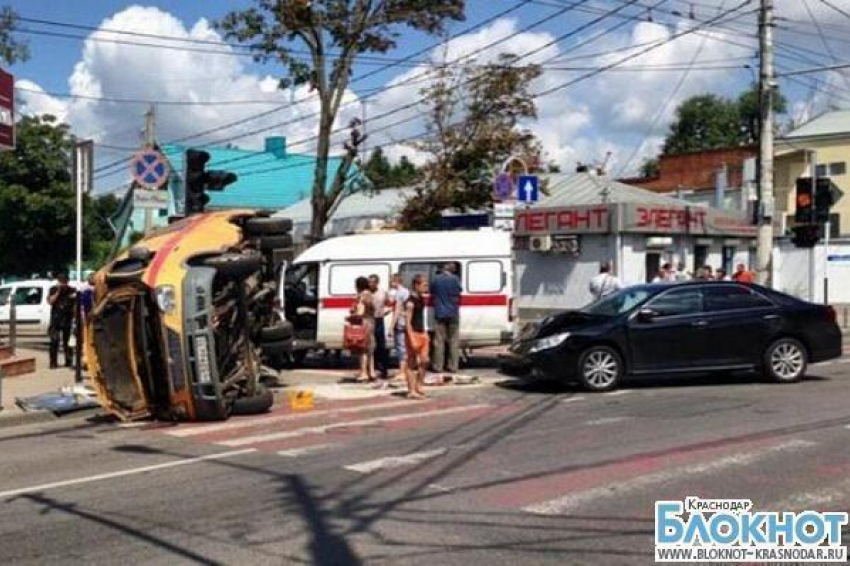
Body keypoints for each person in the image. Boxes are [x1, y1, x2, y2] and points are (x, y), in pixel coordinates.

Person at [430, 262, 461, 376]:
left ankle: (438, 366)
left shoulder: (436, 280)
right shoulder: (455, 279)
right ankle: (453, 366)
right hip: (453, 312)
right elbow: (459, 291)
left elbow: (432, 291)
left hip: (440, 313)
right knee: (453, 340)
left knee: (439, 341)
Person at [404, 274, 429, 400]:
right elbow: (407, 321)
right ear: (416, 285)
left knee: (424, 361)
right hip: (413, 333)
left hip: (422, 332)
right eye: (424, 285)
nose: (426, 287)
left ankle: (419, 385)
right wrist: (411, 337)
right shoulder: (410, 302)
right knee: (411, 362)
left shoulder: (421, 299)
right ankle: (411, 390)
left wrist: (425, 332)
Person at [48, 273, 77, 369]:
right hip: (56, 319)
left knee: (68, 342)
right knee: (54, 341)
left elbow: (75, 304)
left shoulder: (72, 290)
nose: (63, 284)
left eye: (65, 282)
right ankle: (53, 363)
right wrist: (58, 291)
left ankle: (68, 361)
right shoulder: (53, 289)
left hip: (67, 318)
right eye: (61, 282)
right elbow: (50, 301)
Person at [350, 276, 375, 383]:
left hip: (363, 323)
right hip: (371, 322)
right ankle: (371, 372)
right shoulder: (370, 294)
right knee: (370, 348)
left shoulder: (362, 296)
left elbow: (360, 312)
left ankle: (364, 373)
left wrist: (353, 312)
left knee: (362, 349)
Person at [388, 273, 410, 387]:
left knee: (401, 348)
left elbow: (397, 310)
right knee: (403, 347)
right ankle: (403, 370)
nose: (390, 283)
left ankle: (403, 372)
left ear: (396, 281)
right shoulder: (406, 292)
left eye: (391, 281)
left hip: (400, 323)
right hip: (405, 322)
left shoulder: (399, 293)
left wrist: (391, 327)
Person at [368, 274, 390, 383]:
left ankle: (383, 369)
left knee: (381, 345)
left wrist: (386, 311)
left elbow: (389, 303)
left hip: (379, 319)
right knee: (370, 346)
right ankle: (372, 368)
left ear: (377, 283)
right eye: (369, 282)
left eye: (373, 282)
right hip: (369, 320)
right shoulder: (367, 293)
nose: (370, 284)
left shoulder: (382, 292)